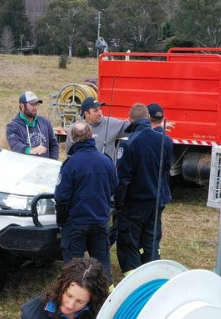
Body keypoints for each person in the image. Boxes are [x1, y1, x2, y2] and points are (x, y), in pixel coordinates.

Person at [115, 103, 173, 275]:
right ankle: (152, 273)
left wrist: (118, 203)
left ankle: (133, 276)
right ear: (148, 118)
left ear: (130, 120)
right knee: (151, 238)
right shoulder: (165, 140)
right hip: (157, 200)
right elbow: (166, 170)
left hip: (135, 202)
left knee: (129, 240)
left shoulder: (129, 143)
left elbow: (123, 178)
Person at [55, 121, 117, 277]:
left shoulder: (70, 164)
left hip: (76, 224)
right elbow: (115, 187)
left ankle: (76, 295)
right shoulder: (106, 161)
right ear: (91, 136)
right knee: (101, 267)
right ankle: (105, 296)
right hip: (100, 221)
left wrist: (61, 221)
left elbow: (62, 198)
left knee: (74, 269)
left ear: (73, 139)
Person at [6, 91, 59, 159]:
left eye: (36, 104)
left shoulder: (45, 122)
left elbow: (53, 145)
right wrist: (31, 150)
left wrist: (52, 162)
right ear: (22, 106)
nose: (35, 107)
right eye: (31, 104)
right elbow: (15, 145)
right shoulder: (13, 126)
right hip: (27, 168)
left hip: (46, 167)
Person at [80, 98, 129, 165]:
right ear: (86, 114)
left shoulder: (111, 123)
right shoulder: (76, 128)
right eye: (95, 110)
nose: (99, 113)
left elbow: (129, 126)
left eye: (100, 109)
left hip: (106, 173)